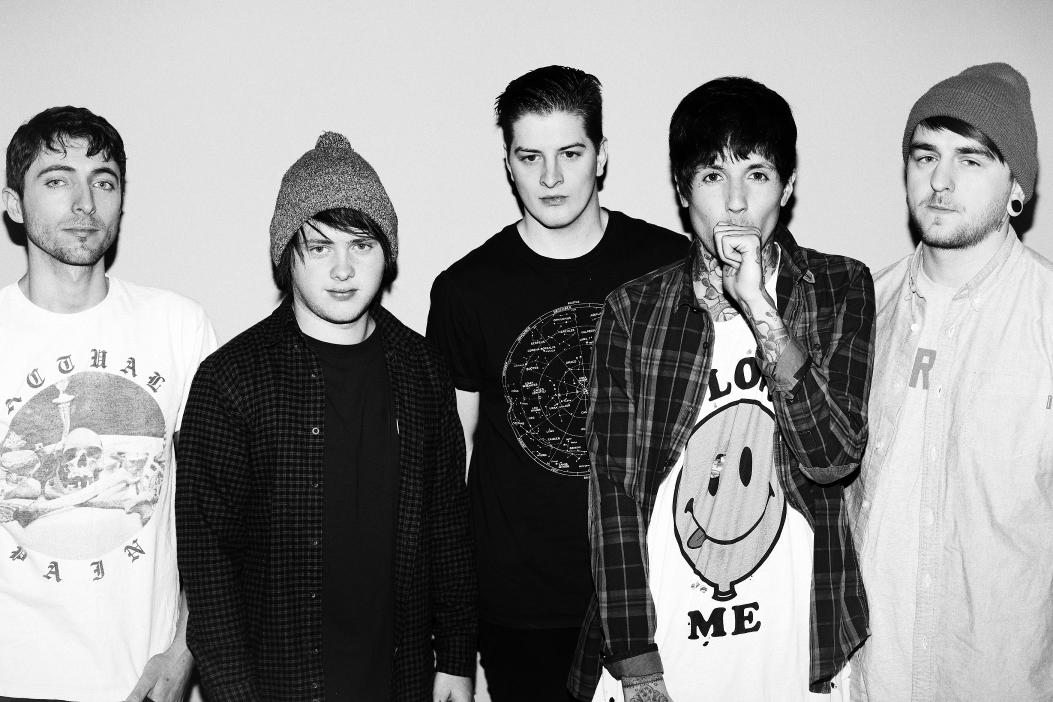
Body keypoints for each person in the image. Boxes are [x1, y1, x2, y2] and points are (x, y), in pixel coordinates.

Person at [572, 77, 874, 702]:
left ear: (787, 187)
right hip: (668, 643)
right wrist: (637, 664)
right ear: (683, 190)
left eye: (756, 174)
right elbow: (614, 494)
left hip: (794, 645)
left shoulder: (838, 287)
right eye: (713, 176)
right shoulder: (635, 310)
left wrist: (761, 309)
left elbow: (833, 458)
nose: (735, 203)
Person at [175, 132, 476, 702]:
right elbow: (209, 567)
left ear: (387, 252)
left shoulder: (423, 369)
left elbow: (448, 528)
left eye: (361, 244)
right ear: (286, 255)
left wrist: (457, 657)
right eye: (319, 247)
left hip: (402, 679)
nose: (342, 268)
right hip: (278, 685)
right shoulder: (230, 380)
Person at [426, 65, 688, 700]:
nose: (550, 177)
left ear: (602, 156)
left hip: (654, 590)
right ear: (508, 164)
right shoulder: (466, 290)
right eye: (530, 157)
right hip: (521, 608)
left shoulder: (669, 266)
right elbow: (447, 469)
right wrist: (452, 633)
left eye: (570, 153)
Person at [847, 62, 1051, 701]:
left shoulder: (1046, 318)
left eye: (971, 159)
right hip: (865, 679)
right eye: (925, 155)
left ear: (1016, 186)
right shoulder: (860, 310)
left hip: (996, 679)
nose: (940, 180)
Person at [0, 106, 215, 702]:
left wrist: (184, 650)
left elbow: (219, 512)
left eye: (103, 181)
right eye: (56, 180)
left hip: (138, 680)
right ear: (14, 203)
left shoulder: (178, 326)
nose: (84, 202)